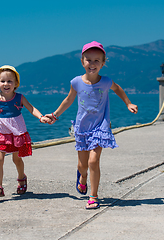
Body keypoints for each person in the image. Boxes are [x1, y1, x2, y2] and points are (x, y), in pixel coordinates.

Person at [46, 41, 138, 209]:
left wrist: (128, 103)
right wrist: (54, 115)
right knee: (83, 165)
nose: (92, 64)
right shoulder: (76, 82)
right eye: (89, 60)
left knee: (93, 161)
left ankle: (93, 196)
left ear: (103, 63)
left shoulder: (106, 82)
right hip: (82, 128)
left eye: (97, 60)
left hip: (100, 126)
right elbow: (68, 100)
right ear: (82, 62)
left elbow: (118, 89)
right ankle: (82, 177)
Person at [0, 65, 51, 197]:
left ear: (16, 84)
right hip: (0, 133)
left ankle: (21, 178)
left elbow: (31, 108)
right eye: (3, 81)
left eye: (10, 81)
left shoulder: (19, 98)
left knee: (17, 160)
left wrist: (41, 117)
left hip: (16, 133)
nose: (6, 84)